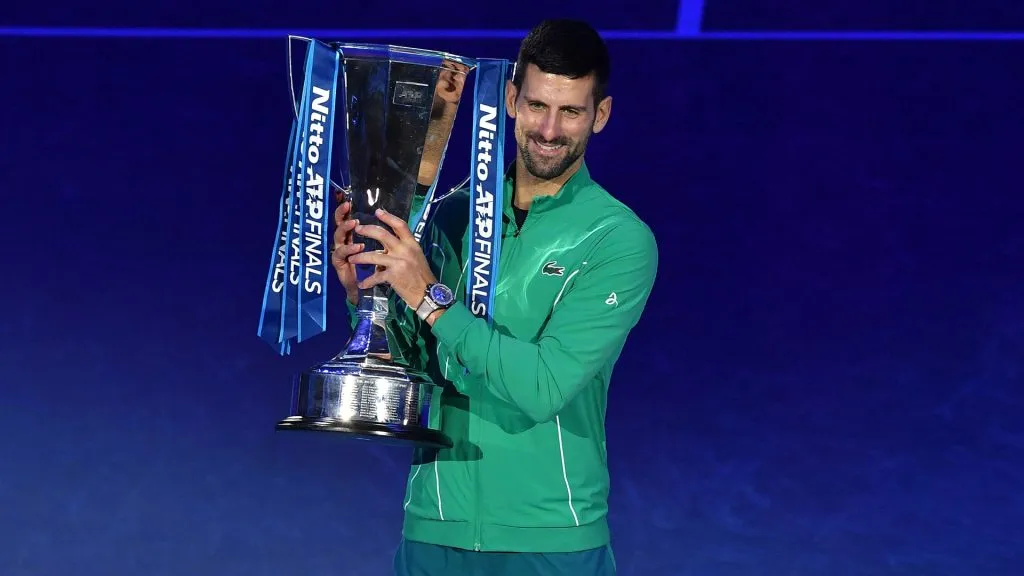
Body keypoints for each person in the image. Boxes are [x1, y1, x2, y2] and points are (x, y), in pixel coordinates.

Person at [331, 19, 659, 576]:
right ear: (510, 99)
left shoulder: (618, 239)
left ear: (600, 116)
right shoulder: (455, 214)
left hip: (550, 540)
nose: (549, 129)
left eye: (571, 111)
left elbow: (543, 386)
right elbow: (423, 368)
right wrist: (368, 296)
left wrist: (430, 297)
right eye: (536, 105)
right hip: (435, 527)